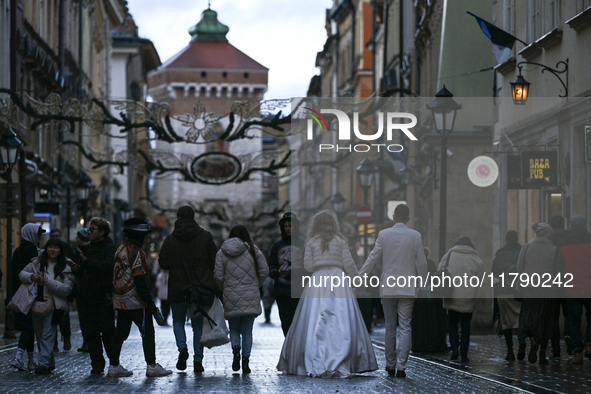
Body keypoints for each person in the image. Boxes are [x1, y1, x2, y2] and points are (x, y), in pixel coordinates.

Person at [277, 211, 378, 377]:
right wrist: (358, 280)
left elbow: (308, 266)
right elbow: (349, 264)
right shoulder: (341, 241)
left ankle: (314, 356)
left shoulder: (310, 242)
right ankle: (340, 357)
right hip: (339, 280)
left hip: (318, 279)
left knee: (314, 318)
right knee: (340, 318)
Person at [359, 204, 427, 378]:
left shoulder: (384, 234)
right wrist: (423, 284)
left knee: (390, 327)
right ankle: (402, 367)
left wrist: (360, 275)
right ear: (408, 218)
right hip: (407, 287)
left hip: (388, 287)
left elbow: (373, 257)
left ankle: (390, 365)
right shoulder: (415, 236)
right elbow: (422, 262)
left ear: (394, 216)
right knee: (405, 327)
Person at [108, 218, 171, 378]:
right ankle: (151, 365)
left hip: (121, 300)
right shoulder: (136, 252)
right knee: (147, 333)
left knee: (120, 333)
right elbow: (139, 279)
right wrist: (150, 304)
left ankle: (113, 365)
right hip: (136, 301)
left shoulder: (120, 249)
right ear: (140, 236)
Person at [158, 206, 218, 373]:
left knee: (177, 321)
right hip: (198, 288)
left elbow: (163, 263)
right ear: (193, 217)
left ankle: (182, 349)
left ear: (178, 217)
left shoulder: (170, 240)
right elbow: (213, 262)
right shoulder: (205, 236)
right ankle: (198, 359)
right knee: (197, 325)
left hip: (178, 287)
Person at [214, 225, 268, 374]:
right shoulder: (253, 250)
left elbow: (218, 276)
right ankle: (245, 361)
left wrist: (224, 288)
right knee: (247, 331)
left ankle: (236, 350)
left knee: (235, 329)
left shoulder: (221, 253)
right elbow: (264, 270)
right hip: (250, 293)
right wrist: (256, 283)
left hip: (231, 295)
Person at [19, 238, 74, 374]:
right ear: (46, 248)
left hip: (55, 305)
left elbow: (66, 289)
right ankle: (49, 362)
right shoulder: (37, 262)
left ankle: (43, 363)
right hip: (37, 303)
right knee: (39, 335)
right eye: (50, 247)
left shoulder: (66, 266)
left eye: (56, 247)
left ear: (60, 250)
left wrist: (48, 282)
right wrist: (32, 277)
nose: (53, 250)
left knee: (48, 334)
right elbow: (22, 274)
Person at [73, 217, 117, 374]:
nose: (89, 232)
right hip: (87, 296)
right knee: (91, 332)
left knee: (107, 332)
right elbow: (85, 270)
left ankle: (114, 363)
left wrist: (87, 262)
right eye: (88, 229)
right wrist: (76, 268)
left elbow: (107, 267)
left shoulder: (110, 248)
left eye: (92, 229)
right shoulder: (88, 248)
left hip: (103, 296)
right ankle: (97, 364)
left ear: (103, 232)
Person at [517, 222, 557, 365]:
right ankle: (541, 353)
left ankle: (524, 341)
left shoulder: (526, 247)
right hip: (548, 289)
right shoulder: (554, 249)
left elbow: (519, 268)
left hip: (530, 287)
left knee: (527, 316)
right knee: (544, 320)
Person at [440, 236, 484, 362]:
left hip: (451, 296)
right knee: (466, 325)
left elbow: (440, 271)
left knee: (452, 324)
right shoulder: (475, 258)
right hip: (468, 297)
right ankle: (464, 353)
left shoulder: (448, 255)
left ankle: (454, 349)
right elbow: (480, 278)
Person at [555, 215, 591, 365]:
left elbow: (558, 267)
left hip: (571, 288)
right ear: (584, 225)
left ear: (571, 226)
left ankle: (577, 353)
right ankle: (589, 344)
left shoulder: (563, 243)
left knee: (574, 321)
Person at [10, 224, 44, 371]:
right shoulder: (32, 251)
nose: (39, 237)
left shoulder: (17, 251)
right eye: (37, 234)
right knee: (29, 327)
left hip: (19, 294)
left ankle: (30, 361)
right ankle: (18, 357)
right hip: (31, 294)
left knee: (27, 327)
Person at [268, 212, 305, 336]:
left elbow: (309, 267)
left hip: (300, 291)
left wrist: (296, 273)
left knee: (300, 323)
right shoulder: (277, 245)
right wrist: (276, 272)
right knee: (285, 323)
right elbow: (271, 266)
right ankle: (289, 348)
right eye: (286, 226)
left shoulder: (304, 244)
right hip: (282, 291)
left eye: (291, 225)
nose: (288, 228)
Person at [492, 230, 523, 361]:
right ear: (517, 238)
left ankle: (510, 350)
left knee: (506, 322)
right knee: (522, 320)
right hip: (520, 290)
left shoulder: (499, 253)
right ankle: (522, 345)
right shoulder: (523, 251)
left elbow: (494, 272)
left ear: (506, 239)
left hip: (504, 290)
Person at [549, 215, 571, 357]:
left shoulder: (548, 237)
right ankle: (569, 336)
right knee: (569, 313)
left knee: (553, 316)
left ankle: (555, 348)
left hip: (553, 282)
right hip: (569, 280)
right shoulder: (568, 236)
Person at [49, 228, 74, 352]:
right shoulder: (47, 249)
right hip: (49, 291)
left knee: (64, 317)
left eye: (57, 235)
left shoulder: (67, 248)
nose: (55, 237)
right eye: (53, 235)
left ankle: (66, 337)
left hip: (63, 289)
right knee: (50, 319)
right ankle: (53, 343)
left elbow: (71, 270)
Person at [71, 228, 90, 352]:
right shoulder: (77, 251)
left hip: (87, 288)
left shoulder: (86, 251)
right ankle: (86, 341)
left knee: (87, 317)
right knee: (83, 317)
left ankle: (88, 341)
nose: (76, 238)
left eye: (78, 236)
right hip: (80, 289)